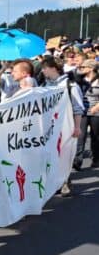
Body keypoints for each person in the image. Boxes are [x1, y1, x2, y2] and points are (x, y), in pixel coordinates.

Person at [41, 55, 84, 196]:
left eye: (45, 68)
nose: (43, 71)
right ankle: (55, 182)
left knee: (65, 153)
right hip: (50, 126)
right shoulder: (45, 86)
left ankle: (65, 181)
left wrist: (77, 127)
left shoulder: (70, 86)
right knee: (52, 155)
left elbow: (78, 108)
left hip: (66, 125)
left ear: (53, 68)